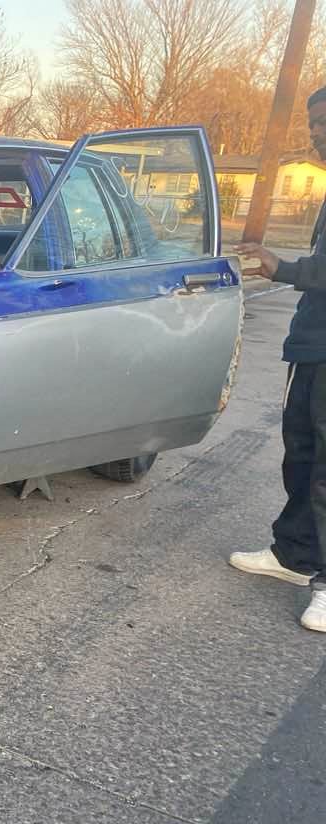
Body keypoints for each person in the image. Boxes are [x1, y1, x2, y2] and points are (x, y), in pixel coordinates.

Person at [231, 85, 326, 631]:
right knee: (302, 455)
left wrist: (281, 268)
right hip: (313, 346)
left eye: (322, 122)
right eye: (312, 123)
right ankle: (295, 556)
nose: (314, 133)